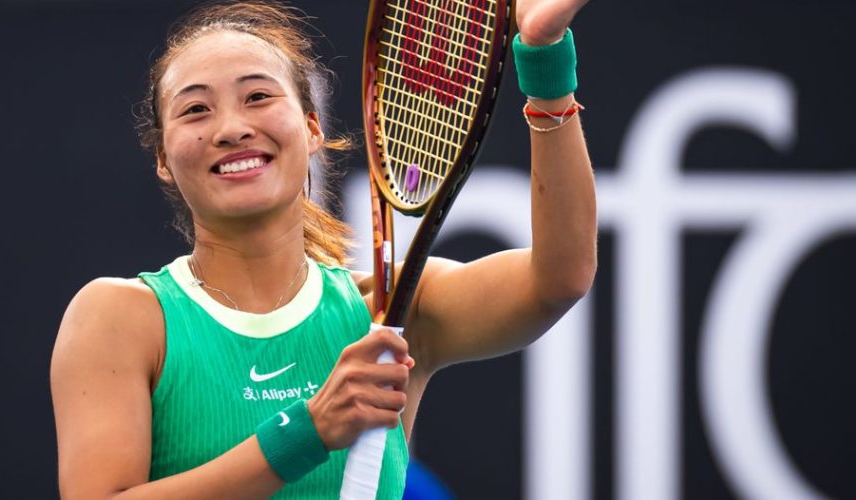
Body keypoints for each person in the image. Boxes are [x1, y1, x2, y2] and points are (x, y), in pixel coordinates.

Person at [50, 0, 595, 497]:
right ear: (164, 161)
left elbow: (559, 277)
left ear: (312, 128)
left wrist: (544, 62)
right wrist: (305, 434)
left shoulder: (386, 310)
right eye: (195, 110)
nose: (233, 127)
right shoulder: (118, 317)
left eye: (258, 96)